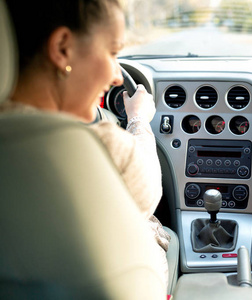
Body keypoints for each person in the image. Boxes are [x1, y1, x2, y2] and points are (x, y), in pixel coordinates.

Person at [3, 0, 174, 293]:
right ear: (62, 48)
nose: (118, 75)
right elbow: (149, 194)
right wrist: (137, 119)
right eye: (112, 52)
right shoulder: (102, 144)